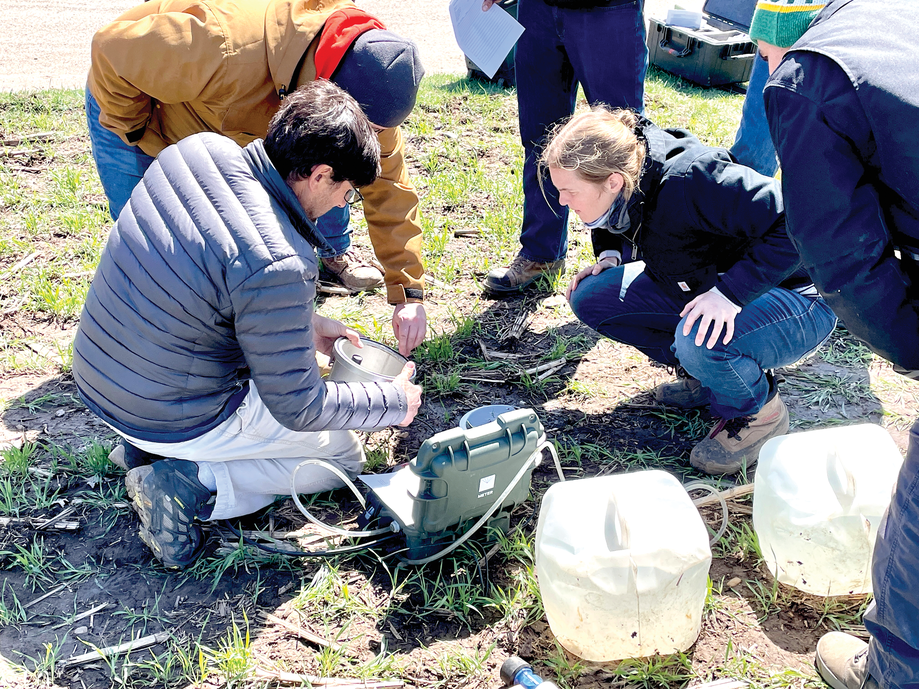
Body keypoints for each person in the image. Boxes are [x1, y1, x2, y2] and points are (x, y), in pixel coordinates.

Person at [71, 80, 423, 569]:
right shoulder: (281, 260)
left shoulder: (198, 151)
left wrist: (304, 323)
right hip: (171, 415)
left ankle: (139, 450)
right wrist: (392, 402)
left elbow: (209, 287)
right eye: (346, 193)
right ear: (320, 175)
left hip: (102, 380)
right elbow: (300, 405)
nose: (343, 205)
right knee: (341, 458)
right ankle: (191, 484)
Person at [86, 0, 427, 355]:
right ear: (329, 91)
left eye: (376, 131)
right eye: (366, 129)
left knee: (319, 182)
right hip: (136, 98)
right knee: (155, 245)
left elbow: (388, 186)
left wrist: (408, 292)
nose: (370, 136)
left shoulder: (372, 93)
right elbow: (111, 52)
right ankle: (138, 350)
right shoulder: (224, 46)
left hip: (226, 129)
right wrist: (143, 133)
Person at [749, 0, 919, 687]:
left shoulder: (804, 78)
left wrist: (911, 348)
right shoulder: (892, 16)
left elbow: (844, 259)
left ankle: (895, 669)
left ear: (771, 45)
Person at [545, 107, 836, 474]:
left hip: (798, 296)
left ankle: (759, 413)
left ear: (614, 181)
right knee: (592, 296)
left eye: (569, 191)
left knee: (698, 339)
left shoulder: (694, 180)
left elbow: (796, 220)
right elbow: (612, 217)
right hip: (705, 282)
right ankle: (711, 379)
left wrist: (730, 294)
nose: (562, 201)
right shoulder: (629, 175)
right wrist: (609, 254)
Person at [480, 0, 648, 296]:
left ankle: (624, 263)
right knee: (540, 139)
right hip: (539, 8)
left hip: (608, 9)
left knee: (620, 140)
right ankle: (541, 254)